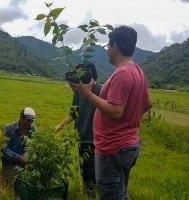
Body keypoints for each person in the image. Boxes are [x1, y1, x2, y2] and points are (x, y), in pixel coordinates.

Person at [69, 26, 152, 200]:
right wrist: (127, 124)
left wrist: (87, 94)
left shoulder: (122, 74)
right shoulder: (137, 71)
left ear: (115, 46)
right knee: (120, 194)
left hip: (112, 148)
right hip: (126, 144)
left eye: (108, 46)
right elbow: (147, 103)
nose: (107, 50)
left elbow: (115, 112)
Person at [55, 62, 101, 193]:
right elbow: (73, 113)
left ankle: (94, 195)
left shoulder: (101, 90)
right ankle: (87, 195)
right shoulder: (78, 93)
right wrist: (60, 126)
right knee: (84, 172)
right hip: (82, 137)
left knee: (94, 173)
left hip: (96, 139)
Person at [1, 107, 36, 182]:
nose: (30, 123)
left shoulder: (33, 130)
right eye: (28, 121)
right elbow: (4, 148)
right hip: (11, 163)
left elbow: (36, 146)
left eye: (32, 121)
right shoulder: (8, 129)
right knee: (13, 182)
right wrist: (18, 157)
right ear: (21, 118)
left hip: (27, 163)